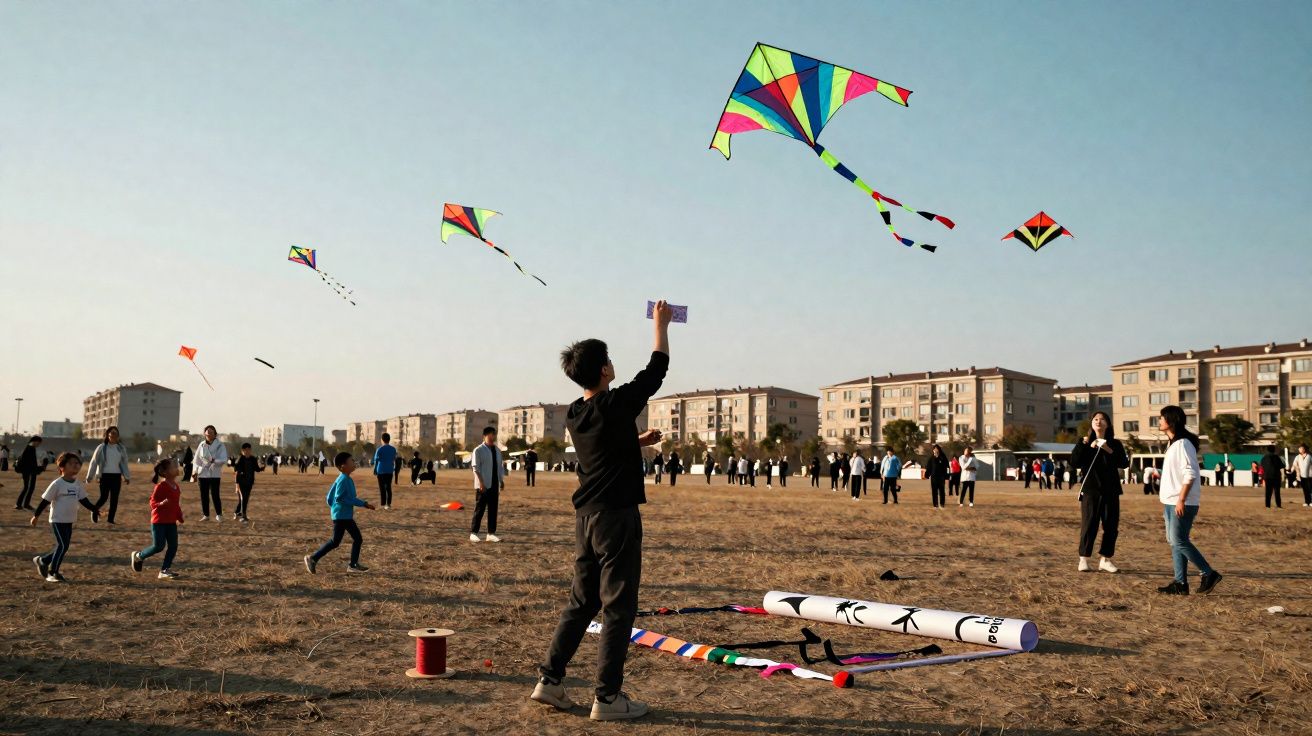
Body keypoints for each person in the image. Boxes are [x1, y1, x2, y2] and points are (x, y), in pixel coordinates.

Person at [531, 299, 671, 721]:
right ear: (605, 370)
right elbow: (655, 371)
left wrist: (638, 443)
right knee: (618, 607)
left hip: (586, 517)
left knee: (581, 602)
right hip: (616, 518)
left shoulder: (576, 413)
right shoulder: (614, 404)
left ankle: (550, 680)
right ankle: (608, 698)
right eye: (608, 361)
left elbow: (605, 445)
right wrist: (661, 326)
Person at [1156, 405, 1222, 594]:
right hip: (1170, 501)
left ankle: (1209, 573)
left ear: (1171, 420)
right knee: (1175, 540)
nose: (1159, 421)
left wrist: (1181, 500)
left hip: (1181, 501)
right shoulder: (1173, 444)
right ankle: (1180, 583)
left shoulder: (1183, 444)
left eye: (1162, 418)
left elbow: (1191, 473)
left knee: (1178, 540)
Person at [1070, 411, 1128, 573]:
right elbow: (1074, 462)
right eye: (1095, 419)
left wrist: (1108, 449)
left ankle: (1105, 559)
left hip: (1111, 490)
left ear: (1108, 424)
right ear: (1091, 423)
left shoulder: (1115, 444)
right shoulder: (1084, 441)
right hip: (1090, 490)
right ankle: (1083, 559)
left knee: (1111, 525)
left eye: (1102, 419)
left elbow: (1124, 463)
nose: (1099, 421)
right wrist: (1086, 445)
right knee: (1089, 524)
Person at [30, 452, 98, 582]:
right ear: (62, 466)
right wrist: (36, 516)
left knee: (63, 546)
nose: (75, 466)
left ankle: (42, 560)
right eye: (71, 463)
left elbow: (84, 500)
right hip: (57, 519)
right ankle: (53, 572)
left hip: (69, 519)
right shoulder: (57, 484)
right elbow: (45, 501)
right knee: (63, 545)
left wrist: (95, 509)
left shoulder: (77, 484)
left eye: (77, 463)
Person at [304, 452, 374, 574]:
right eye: (351, 461)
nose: (354, 462)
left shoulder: (343, 478)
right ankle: (352, 565)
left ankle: (314, 558)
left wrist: (334, 509)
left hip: (341, 515)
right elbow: (339, 498)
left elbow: (329, 498)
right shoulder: (343, 479)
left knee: (336, 542)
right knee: (357, 538)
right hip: (343, 517)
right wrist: (363, 503)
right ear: (343, 466)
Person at [131, 457, 184, 579]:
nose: (177, 468)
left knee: (173, 546)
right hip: (159, 521)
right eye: (173, 467)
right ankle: (139, 556)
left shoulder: (176, 487)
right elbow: (152, 502)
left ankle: (165, 570)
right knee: (158, 546)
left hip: (171, 522)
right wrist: (161, 504)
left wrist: (179, 516)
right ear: (165, 472)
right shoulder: (161, 486)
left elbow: (176, 505)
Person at [471, 427, 504, 543]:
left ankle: (491, 533)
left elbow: (500, 467)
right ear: (484, 436)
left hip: (494, 484)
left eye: (494, 434)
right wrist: (481, 482)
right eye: (490, 435)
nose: (493, 437)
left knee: (493, 509)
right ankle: (474, 533)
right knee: (479, 509)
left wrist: (501, 480)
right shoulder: (478, 450)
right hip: (483, 485)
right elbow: (475, 468)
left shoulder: (497, 451)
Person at [193, 426, 228, 522]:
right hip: (202, 474)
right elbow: (196, 459)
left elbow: (224, 459)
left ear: (215, 434)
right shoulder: (201, 444)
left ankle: (219, 515)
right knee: (203, 495)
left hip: (214, 474)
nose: (208, 434)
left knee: (215, 495)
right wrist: (195, 471)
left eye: (211, 432)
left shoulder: (220, 445)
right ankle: (206, 515)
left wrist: (214, 460)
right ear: (204, 434)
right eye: (207, 432)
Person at [232, 443, 263, 522]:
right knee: (243, 498)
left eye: (249, 450)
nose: (247, 451)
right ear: (242, 451)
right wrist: (236, 484)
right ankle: (243, 516)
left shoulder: (253, 459)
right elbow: (235, 470)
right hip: (241, 482)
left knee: (245, 499)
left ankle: (237, 512)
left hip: (249, 482)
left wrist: (262, 467)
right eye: (245, 450)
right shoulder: (240, 459)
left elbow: (257, 469)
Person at [14, 436, 45, 510]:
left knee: (29, 487)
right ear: (36, 441)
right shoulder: (30, 448)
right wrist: (39, 468)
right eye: (39, 443)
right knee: (27, 487)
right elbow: (30, 462)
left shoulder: (30, 448)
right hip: (29, 471)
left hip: (30, 471)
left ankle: (24, 504)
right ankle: (20, 504)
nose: (39, 445)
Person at [372, 433, 397, 510]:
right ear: (389, 439)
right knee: (388, 487)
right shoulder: (393, 449)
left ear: (382, 440)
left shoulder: (379, 449)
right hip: (389, 470)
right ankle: (388, 504)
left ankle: (383, 503)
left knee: (382, 487)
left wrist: (375, 470)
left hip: (381, 470)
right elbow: (394, 459)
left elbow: (376, 460)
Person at [927, 444, 949, 509]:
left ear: (939, 450)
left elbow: (947, 467)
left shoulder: (943, 457)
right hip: (933, 477)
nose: (935, 450)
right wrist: (927, 474)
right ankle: (935, 505)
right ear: (933, 450)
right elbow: (929, 467)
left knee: (942, 491)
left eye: (937, 449)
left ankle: (942, 504)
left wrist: (947, 476)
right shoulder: (931, 458)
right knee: (934, 491)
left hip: (941, 477)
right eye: (934, 449)